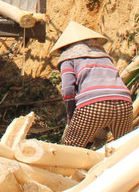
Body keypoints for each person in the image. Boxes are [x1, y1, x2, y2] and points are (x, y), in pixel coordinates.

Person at [51, 21, 132, 149]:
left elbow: (68, 90)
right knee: (125, 148)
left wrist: (71, 117)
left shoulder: (68, 58)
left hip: (93, 104)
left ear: (65, 47)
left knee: (69, 150)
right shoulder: (103, 55)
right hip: (124, 102)